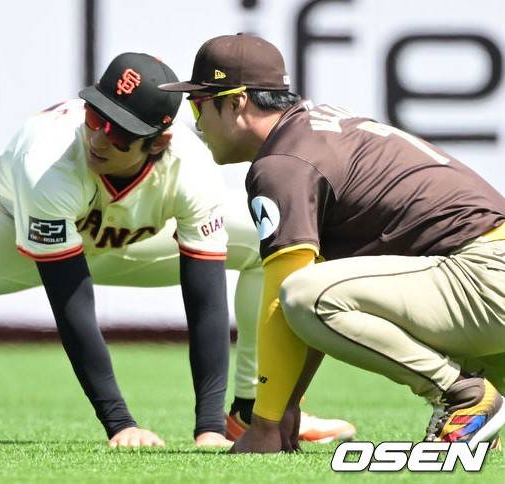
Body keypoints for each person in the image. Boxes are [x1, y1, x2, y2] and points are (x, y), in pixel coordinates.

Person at [0, 52, 353, 448]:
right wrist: (120, 423)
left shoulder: (190, 167)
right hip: (10, 226)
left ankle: (246, 411)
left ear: (158, 142)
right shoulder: (49, 162)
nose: (99, 137)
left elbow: (204, 300)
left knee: (271, 242)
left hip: (133, 238)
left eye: (119, 131)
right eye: (96, 116)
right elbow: (71, 305)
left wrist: (207, 426)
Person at [160, 33, 505, 453]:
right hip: (481, 279)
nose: (195, 122)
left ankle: (463, 396)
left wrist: (267, 423)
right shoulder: (312, 130)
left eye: (198, 104)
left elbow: (289, 300)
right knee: (311, 291)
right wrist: (284, 407)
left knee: (302, 293)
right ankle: (478, 408)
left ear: (237, 103)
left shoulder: (282, 164)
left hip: (481, 277)